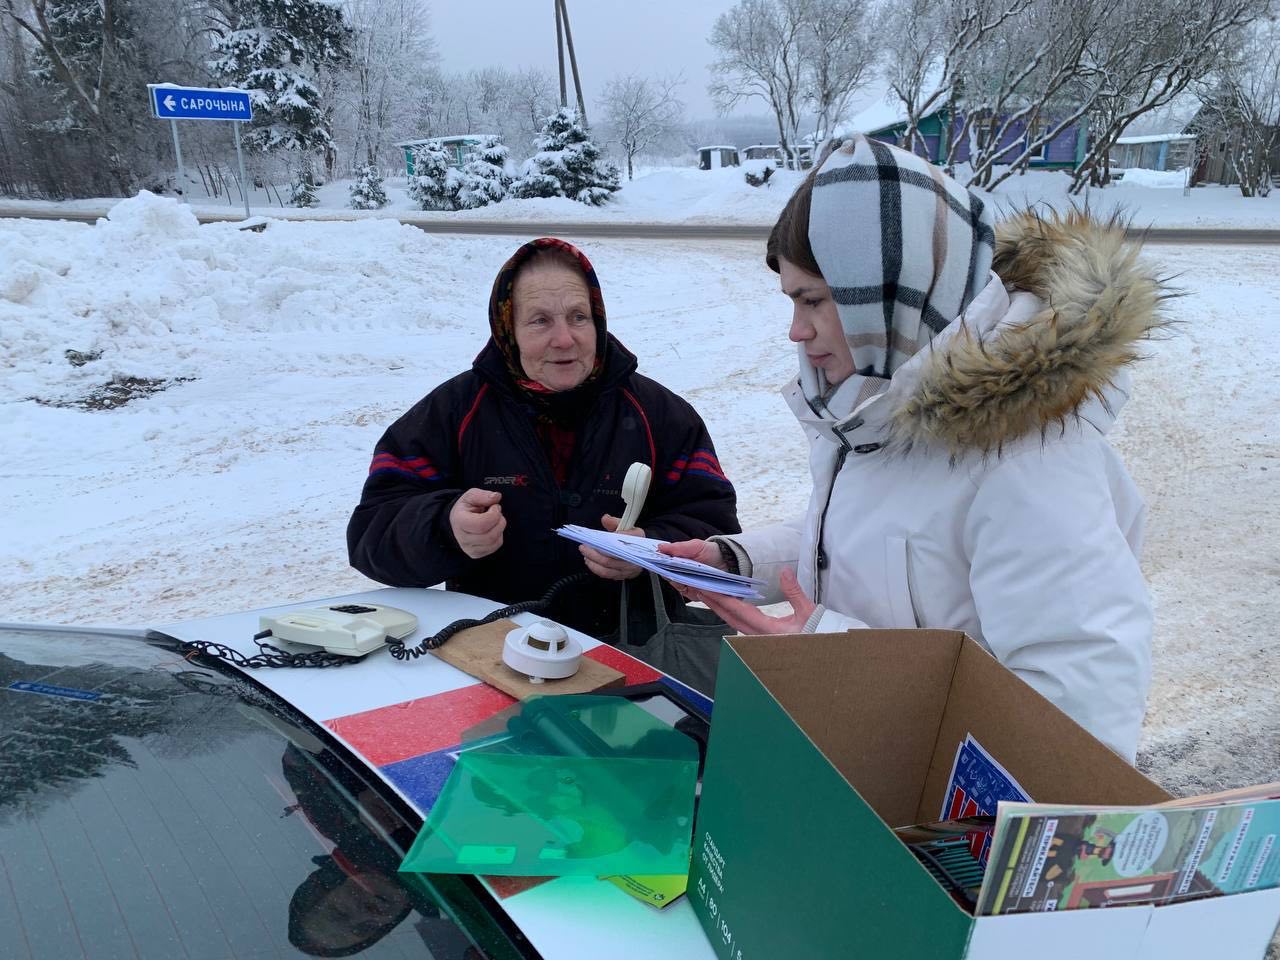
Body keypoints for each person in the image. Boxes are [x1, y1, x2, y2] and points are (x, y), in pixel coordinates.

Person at [665, 136, 1164, 761]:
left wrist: (827, 649)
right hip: (875, 764)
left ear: (887, 290)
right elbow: (864, 541)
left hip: (959, 827)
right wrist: (734, 562)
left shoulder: (1030, 455)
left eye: (814, 300)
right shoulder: (871, 408)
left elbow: (1079, 706)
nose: (796, 330)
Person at [347, 237, 739, 638]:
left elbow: (719, 529)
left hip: (631, 660)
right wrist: (446, 528)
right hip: (492, 659)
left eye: (578, 317)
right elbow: (368, 538)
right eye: (539, 321)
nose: (565, 339)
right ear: (507, 330)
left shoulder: (660, 415)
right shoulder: (451, 414)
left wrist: (651, 549)